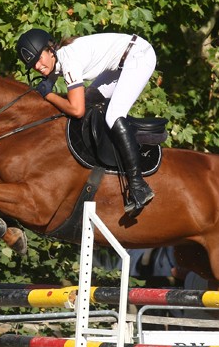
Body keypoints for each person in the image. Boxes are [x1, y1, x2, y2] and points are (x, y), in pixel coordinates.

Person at [16, 28, 156, 215]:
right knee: (90, 99)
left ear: (50, 50)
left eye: (39, 59)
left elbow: (76, 110)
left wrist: (49, 95)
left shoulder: (69, 62)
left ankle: (139, 185)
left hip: (139, 56)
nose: (38, 67)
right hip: (121, 62)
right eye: (33, 64)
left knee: (113, 115)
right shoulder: (59, 59)